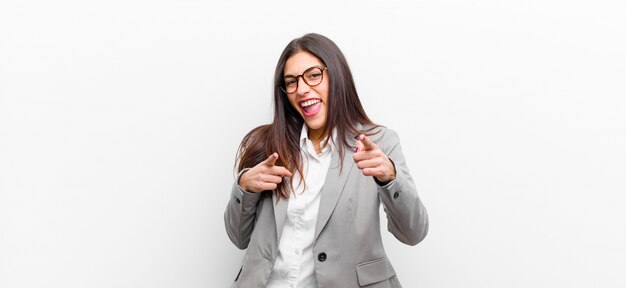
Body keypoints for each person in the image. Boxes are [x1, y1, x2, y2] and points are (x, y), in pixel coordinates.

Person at [224, 33, 428, 288]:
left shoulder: (379, 142)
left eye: (313, 75)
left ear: (336, 76)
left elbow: (413, 233)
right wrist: (244, 186)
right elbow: (238, 237)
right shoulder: (268, 145)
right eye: (291, 82)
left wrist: (390, 178)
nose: (301, 90)